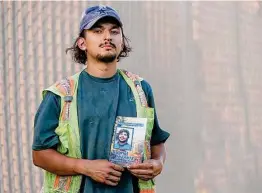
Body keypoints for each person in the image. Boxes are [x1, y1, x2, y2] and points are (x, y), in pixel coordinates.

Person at [32, 4, 170, 193]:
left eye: (114, 31)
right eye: (97, 31)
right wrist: (84, 167)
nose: (107, 37)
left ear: (122, 41)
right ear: (82, 43)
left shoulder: (140, 89)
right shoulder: (60, 95)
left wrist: (158, 162)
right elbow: (40, 155)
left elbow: (157, 142)